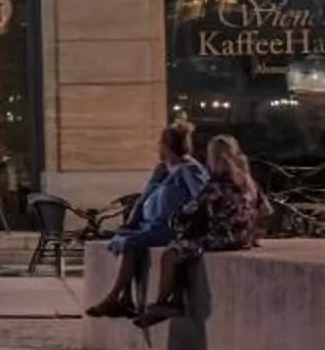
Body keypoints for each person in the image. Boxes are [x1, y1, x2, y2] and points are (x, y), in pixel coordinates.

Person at [136, 134, 263, 326]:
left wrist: (175, 219)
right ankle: (175, 301)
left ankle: (162, 303)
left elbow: (192, 210)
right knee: (184, 250)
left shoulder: (216, 184)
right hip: (242, 238)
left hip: (222, 239)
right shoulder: (248, 182)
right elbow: (265, 210)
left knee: (171, 253)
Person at [84, 126, 210, 316]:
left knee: (130, 243)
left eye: (159, 144)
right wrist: (130, 224)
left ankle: (113, 297)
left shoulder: (189, 170)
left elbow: (202, 198)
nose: (157, 148)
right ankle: (125, 300)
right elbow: (143, 198)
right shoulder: (162, 170)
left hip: (169, 228)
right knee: (123, 239)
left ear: (167, 146)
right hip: (149, 226)